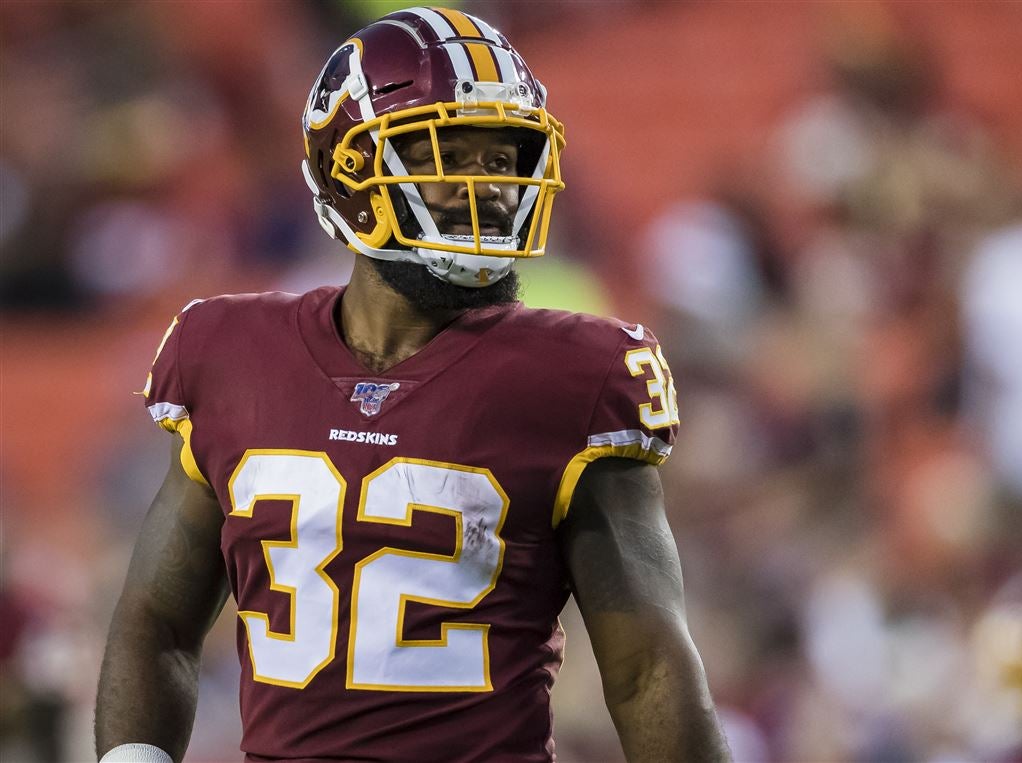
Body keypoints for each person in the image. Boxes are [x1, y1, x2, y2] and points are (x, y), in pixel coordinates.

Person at [94, 7, 729, 763]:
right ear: (351, 173)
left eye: (503, 159)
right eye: (447, 153)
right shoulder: (229, 352)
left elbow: (646, 666)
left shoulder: (575, 376)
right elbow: (158, 620)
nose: (487, 187)